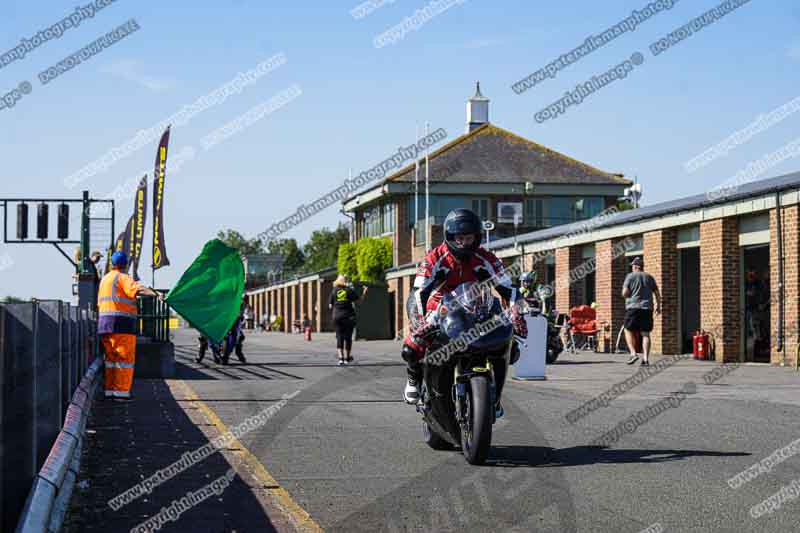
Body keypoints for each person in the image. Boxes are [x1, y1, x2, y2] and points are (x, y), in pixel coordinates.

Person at [401, 208, 527, 417]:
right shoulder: (434, 258)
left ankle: (494, 398)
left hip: (478, 307)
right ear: (450, 237)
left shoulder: (486, 258)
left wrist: (517, 314)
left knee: (510, 347)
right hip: (441, 308)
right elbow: (418, 293)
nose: (464, 243)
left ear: (477, 237)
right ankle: (414, 378)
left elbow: (509, 288)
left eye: (468, 238)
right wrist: (419, 322)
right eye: (459, 238)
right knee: (411, 348)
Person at [97, 251, 161, 400]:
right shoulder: (123, 278)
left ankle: (110, 391)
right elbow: (137, 289)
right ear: (126, 264)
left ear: (112, 264)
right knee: (124, 360)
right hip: (121, 325)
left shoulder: (105, 279)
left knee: (111, 360)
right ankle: (121, 394)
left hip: (105, 325)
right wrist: (156, 293)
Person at [622, 257, 661, 366]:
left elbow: (624, 293)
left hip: (633, 307)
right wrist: (658, 306)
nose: (632, 268)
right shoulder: (649, 277)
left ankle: (633, 353)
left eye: (633, 266)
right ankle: (645, 359)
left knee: (627, 329)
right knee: (645, 334)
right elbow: (657, 293)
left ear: (635, 266)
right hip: (647, 308)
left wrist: (629, 295)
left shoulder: (630, 276)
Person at [329, 275, 365, 365]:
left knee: (339, 336)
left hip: (337, 316)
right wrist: (365, 292)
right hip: (348, 316)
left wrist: (337, 306)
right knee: (348, 337)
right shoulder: (349, 290)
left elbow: (330, 305)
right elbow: (359, 302)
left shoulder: (334, 291)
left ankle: (341, 358)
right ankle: (347, 358)